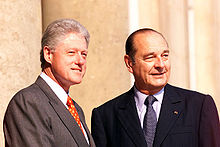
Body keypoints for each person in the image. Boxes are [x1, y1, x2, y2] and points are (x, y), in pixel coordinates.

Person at [91, 28, 220, 147]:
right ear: (130, 63)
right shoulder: (105, 116)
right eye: (150, 57)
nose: (161, 65)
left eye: (165, 55)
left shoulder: (198, 106)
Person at [4, 19, 95, 147]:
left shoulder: (75, 109)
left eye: (84, 54)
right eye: (71, 53)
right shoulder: (28, 102)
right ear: (48, 54)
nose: (80, 61)